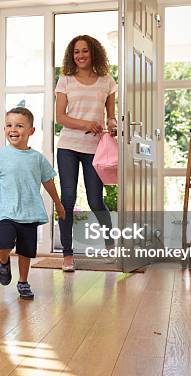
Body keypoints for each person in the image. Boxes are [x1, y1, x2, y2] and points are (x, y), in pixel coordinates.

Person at [0, 107, 65, 300]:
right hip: (6, 212)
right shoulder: (1, 156)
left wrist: (59, 204)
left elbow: (48, 181)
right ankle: (3, 261)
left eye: (19, 126)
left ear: (31, 131)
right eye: (9, 125)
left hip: (29, 213)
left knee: (26, 251)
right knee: (4, 243)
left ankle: (23, 282)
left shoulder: (38, 159)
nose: (13, 129)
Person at [55, 34, 118, 272]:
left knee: (95, 201)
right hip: (68, 146)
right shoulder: (65, 81)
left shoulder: (107, 81)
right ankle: (67, 255)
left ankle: (111, 245)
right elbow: (61, 117)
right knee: (67, 199)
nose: (80, 55)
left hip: (95, 149)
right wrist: (86, 124)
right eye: (76, 52)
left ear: (94, 53)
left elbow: (110, 114)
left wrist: (111, 124)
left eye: (84, 51)